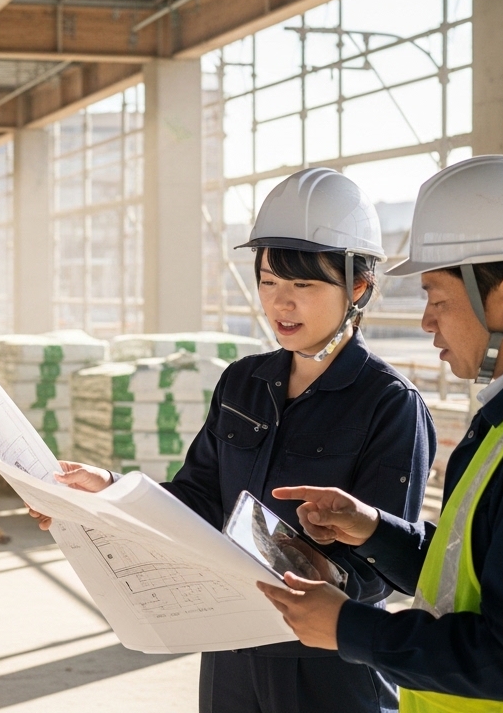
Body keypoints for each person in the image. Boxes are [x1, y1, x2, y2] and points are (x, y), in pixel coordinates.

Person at [258, 155, 503, 712]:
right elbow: (481, 576)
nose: (427, 320)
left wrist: (347, 627)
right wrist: (375, 530)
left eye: (438, 299)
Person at [30, 167, 436, 713]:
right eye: (269, 281)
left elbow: (387, 567)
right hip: (232, 652)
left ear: (358, 287)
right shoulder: (244, 381)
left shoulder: (389, 404)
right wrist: (104, 493)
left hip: (327, 664)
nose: (280, 303)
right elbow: (197, 497)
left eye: (303, 285)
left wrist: (309, 569)